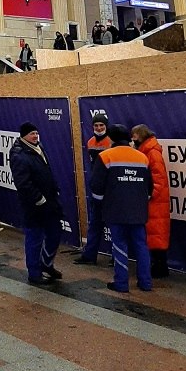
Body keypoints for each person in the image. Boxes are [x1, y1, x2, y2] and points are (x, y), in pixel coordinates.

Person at [90, 123, 153, 292]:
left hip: (115, 210)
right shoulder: (142, 157)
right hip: (138, 211)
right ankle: (146, 282)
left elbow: (96, 186)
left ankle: (121, 283)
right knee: (141, 246)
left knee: (119, 246)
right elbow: (149, 188)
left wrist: (101, 203)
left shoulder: (105, 156)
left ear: (111, 138)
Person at [9, 122, 64, 285]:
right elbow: (23, 183)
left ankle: (46, 263)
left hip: (50, 201)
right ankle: (34, 273)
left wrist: (54, 189)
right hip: (33, 205)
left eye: (36, 133)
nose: (35, 136)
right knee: (34, 238)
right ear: (24, 135)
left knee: (55, 232)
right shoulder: (19, 155)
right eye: (32, 134)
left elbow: (47, 171)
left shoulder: (38, 148)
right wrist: (39, 198)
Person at [131, 124, 170, 278]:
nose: (132, 140)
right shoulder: (149, 150)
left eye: (134, 136)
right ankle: (158, 266)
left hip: (155, 202)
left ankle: (160, 267)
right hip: (155, 201)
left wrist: (148, 195)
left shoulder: (151, 153)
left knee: (156, 235)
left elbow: (158, 179)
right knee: (155, 235)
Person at [74, 112, 112, 265]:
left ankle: (116, 258)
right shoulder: (90, 142)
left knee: (114, 225)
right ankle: (89, 255)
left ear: (106, 126)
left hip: (109, 189)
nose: (99, 128)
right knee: (95, 222)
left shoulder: (111, 142)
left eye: (101, 125)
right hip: (95, 188)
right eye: (96, 125)